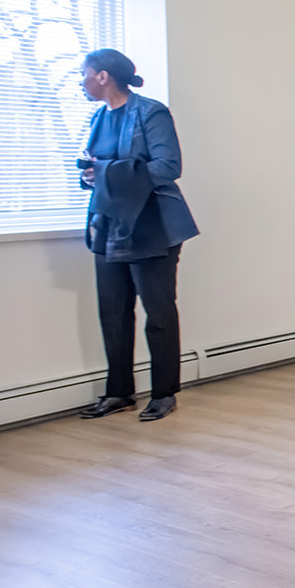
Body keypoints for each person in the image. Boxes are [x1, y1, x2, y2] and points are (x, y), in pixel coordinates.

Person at [77, 49, 199, 422]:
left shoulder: (150, 112)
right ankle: (119, 393)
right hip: (109, 227)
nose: (80, 82)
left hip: (152, 226)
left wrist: (106, 171)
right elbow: (97, 167)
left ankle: (164, 393)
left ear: (102, 76)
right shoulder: (98, 117)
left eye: (83, 74)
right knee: (112, 312)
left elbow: (168, 166)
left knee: (159, 313)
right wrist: (89, 175)